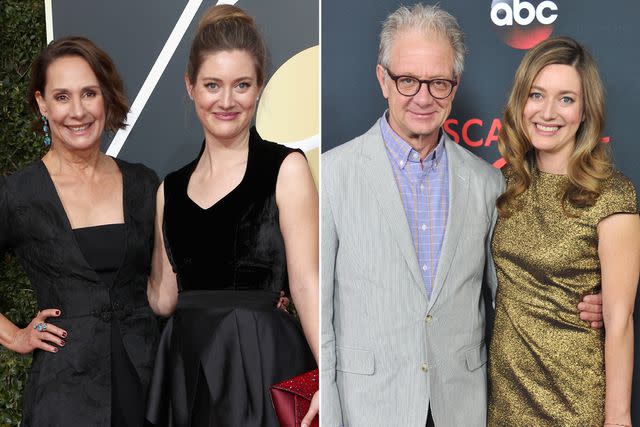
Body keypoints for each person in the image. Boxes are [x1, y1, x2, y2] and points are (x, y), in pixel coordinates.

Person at [321, 4, 604, 427]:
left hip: (463, 408)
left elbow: (511, 292)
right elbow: (320, 310)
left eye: (437, 83)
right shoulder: (331, 175)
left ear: (454, 88)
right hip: (369, 408)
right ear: (383, 80)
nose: (422, 97)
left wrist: (588, 304)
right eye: (407, 80)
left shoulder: (487, 184)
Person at [145, 5, 319, 427]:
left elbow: (306, 282)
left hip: (263, 361)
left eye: (241, 84)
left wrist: (328, 376)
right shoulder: (169, 189)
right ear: (190, 86)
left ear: (260, 87)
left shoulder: (286, 168)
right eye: (212, 85)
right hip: (187, 366)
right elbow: (164, 298)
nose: (226, 101)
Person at [0, 37, 159, 426]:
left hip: (149, 385)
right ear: (42, 103)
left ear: (105, 95)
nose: (78, 111)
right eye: (62, 96)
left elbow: (172, 277)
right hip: (64, 396)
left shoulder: (143, 184)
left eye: (89, 93)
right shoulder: (19, 193)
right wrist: (16, 337)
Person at [488, 36, 640, 427]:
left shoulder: (612, 194)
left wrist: (618, 417)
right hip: (505, 395)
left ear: (585, 110)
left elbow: (620, 320)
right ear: (521, 102)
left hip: (573, 398)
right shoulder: (503, 183)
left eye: (566, 99)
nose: (548, 112)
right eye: (537, 95)